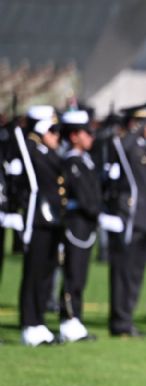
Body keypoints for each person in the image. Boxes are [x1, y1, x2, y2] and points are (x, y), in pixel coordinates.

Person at [103, 100, 146, 337]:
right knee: (123, 272)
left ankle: (127, 318)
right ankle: (119, 322)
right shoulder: (124, 143)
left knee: (136, 273)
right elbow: (119, 145)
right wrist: (133, 129)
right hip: (129, 217)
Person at [13, 106, 65, 346]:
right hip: (36, 219)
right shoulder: (30, 150)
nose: (57, 135)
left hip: (51, 219)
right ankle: (30, 322)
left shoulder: (45, 152)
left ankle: (39, 319)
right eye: (53, 130)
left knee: (46, 272)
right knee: (34, 273)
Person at [58, 110, 101, 342]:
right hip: (75, 223)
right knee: (72, 273)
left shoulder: (85, 160)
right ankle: (68, 318)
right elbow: (84, 197)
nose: (91, 137)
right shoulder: (71, 161)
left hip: (86, 224)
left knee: (80, 274)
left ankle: (75, 318)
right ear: (74, 136)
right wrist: (96, 211)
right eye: (86, 133)